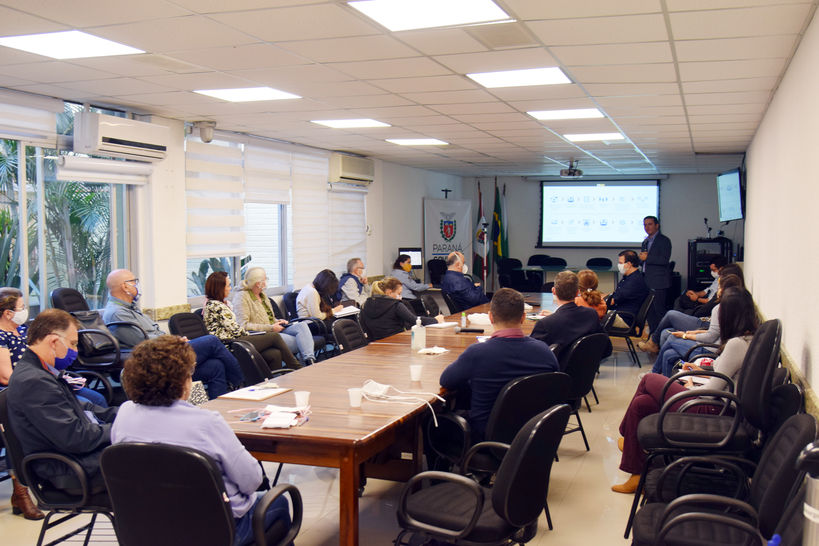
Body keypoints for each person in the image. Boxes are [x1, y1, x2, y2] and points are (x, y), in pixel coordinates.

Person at [112, 336, 292, 546]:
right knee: (277, 501)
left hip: (148, 529)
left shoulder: (124, 416)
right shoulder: (206, 422)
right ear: (183, 380)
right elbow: (252, 480)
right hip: (217, 532)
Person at [611, 286, 758, 493]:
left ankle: (628, 439)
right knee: (641, 403)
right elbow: (726, 376)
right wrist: (700, 370)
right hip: (718, 404)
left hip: (712, 408)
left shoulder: (736, 344)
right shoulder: (747, 340)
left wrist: (690, 385)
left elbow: (712, 390)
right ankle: (636, 473)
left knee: (649, 381)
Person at [7, 309, 117, 500]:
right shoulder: (34, 381)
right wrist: (120, 428)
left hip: (75, 459)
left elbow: (86, 408)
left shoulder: (42, 371)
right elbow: (76, 438)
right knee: (153, 462)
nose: (75, 351)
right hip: (67, 470)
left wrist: (126, 414)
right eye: (73, 344)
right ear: (54, 341)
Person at [439, 288, 559, 441]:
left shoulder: (478, 353)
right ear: (523, 317)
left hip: (485, 436)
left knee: (434, 420)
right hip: (533, 435)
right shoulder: (545, 352)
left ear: (490, 317)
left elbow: (446, 380)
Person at [102, 269, 243, 398]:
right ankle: (244, 384)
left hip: (167, 349)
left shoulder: (131, 309)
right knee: (211, 341)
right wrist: (174, 342)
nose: (137, 285)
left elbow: (155, 333)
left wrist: (175, 339)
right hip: (158, 358)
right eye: (134, 282)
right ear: (125, 286)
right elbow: (143, 343)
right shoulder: (117, 313)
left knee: (215, 366)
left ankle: (218, 408)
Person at [2, 288, 106, 407]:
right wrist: (46, 381)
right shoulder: (2, 337)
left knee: (98, 399)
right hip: (32, 385)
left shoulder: (22, 329)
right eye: (21, 307)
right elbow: (7, 377)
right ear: (8, 313)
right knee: (87, 404)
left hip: (49, 376)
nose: (25, 310)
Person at [203, 272, 301, 372]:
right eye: (228, 285)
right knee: (274, 337)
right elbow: (236, 331)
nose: (230, 288)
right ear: (220, 288)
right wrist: (255, 335)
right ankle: (297, 368)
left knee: (274, 354)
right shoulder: (216, 306)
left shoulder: (220, 304)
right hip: (232, 345)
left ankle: (274, 383)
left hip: (238, 340)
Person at [638, 263, 744, 354]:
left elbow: (707, 313)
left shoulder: (727, 300)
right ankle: (657, 367)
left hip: (704, 324)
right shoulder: (729, 294)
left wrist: (686, 335)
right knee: (666, 331)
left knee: (671, 314)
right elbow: (706, 296)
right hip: (704, 320)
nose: (718, 286)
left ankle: (653, 343)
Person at [650, 274, 744, 377]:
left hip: (708, 349)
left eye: (719, 287)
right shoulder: (738, 306)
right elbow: (717, 332)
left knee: (672, 337)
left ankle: (654, 374)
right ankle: (664, 383)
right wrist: (694, 332)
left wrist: (685, 336)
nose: (717, 290)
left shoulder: (720, 308)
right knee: (668, 354)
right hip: (715, 348)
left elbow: (711, 336)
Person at [233, 267, 316, 366]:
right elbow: (243, 325)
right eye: (264, 279)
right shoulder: (242, 297)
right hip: (265, 335)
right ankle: (306, 365)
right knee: (302, 342)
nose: (266, 281)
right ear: (257, 283)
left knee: (302, 326)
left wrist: (278, 321)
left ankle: (310, 361)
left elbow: (268, 318)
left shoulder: (262, 295)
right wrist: (271, 327)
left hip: (274, 329)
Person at [530, 271, 601, 367]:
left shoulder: (545, 324)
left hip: (553, 375)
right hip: (585, 373)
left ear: (553, 291)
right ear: (578, 292)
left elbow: (530, 357)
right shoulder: (591, 314)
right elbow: (606, 348)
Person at [360, 277, 443, 340]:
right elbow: (414, 320)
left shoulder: (364, 305)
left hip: (375, 346)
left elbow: (365, 329)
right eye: (399, 293)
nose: (401, 297)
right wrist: (435, 320)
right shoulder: (395, 305)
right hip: (397, 342)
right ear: (389, 292)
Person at [639, 216, 672, 334]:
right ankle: (653, 337)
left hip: (658, 281)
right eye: (645, 225)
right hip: (646, 280)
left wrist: (648, 258)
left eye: (650, 224)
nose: (647, 227)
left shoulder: (664, 240)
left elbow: (664, 260)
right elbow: (644, 261)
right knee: (649, 311)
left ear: (657, 225)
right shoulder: (645, 241)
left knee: (659, 311)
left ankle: (662, 337)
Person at [608, 250, 649, 327]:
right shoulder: (630, 277)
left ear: (629, 264)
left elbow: (612, 301)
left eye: (620, 263)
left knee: (592, 315)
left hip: (624, 318)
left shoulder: (634, 281)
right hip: (620, 313)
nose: (619, 265)